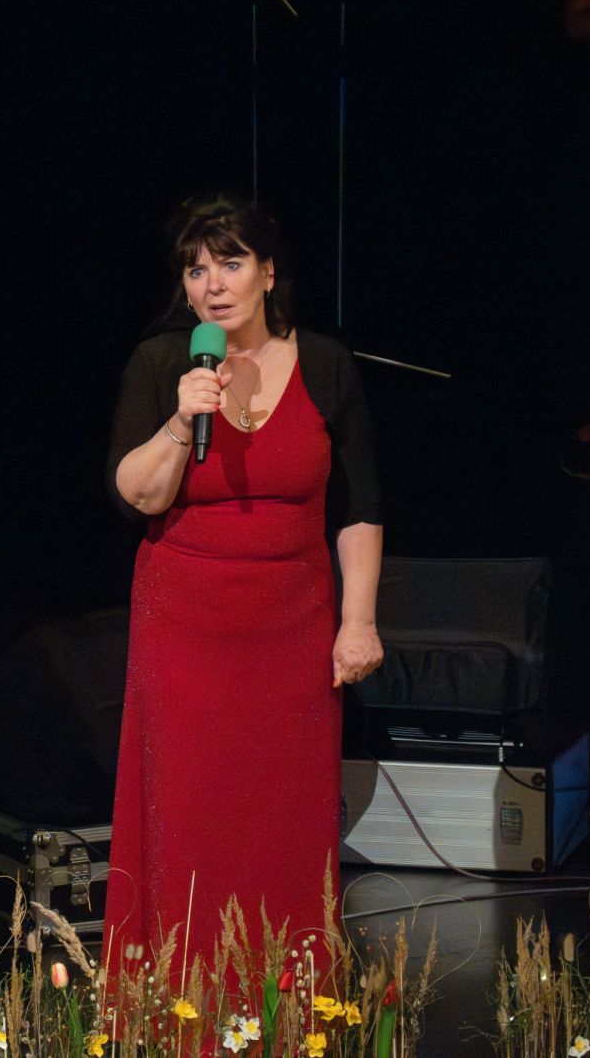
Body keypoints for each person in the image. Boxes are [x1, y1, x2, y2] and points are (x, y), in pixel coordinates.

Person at [101, 196, 383, 980]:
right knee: (190, 813)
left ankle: (286, 1007)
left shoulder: (324, 362)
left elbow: (359, 506)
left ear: (268, 271)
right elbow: (134, 496)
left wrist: (358, 620)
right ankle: (180, 1005)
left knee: (283, 817)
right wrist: (178, 422)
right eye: (196, 270)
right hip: (184, 624)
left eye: (230, 263)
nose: (213, 285)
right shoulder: (163, 363)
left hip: (293, 624)